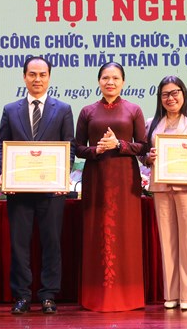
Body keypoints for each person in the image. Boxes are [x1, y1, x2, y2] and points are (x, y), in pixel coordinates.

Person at [0, 56, 74, 315]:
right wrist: (4, 174)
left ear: (49, 77)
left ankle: (48, 295)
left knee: (52, 243)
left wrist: (63, 176)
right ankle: (21, 296)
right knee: (19, 245)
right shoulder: (10, 110)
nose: (37, 79)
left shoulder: (63, 109)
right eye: (32, 74)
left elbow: (69, 147)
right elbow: (2, 146)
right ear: (24, 77)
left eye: (42, 74)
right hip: (19, 191)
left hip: (52, 190)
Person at [74, 62, 147, 312]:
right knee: (97, 233)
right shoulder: (87, 111)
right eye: (105, 78)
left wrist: (119, 145)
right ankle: (95, 296)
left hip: (125, 178)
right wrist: (96, 150)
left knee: (126, 234)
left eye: (115, 78)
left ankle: (129, 296)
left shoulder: (134, 109)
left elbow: (143, 146)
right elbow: (77, 148)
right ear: (99, 81)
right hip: (96, 177)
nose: (110, 82)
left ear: (123, 82)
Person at [141, 75, 187, 311]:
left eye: (175, 93)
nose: (170, 98)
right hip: (161, 187)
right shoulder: (152, 123)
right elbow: (143, 154)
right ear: (159, 98)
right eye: (165, 94)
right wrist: (148, 157)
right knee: (168, 241)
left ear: (183, 94)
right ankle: (171, 293)